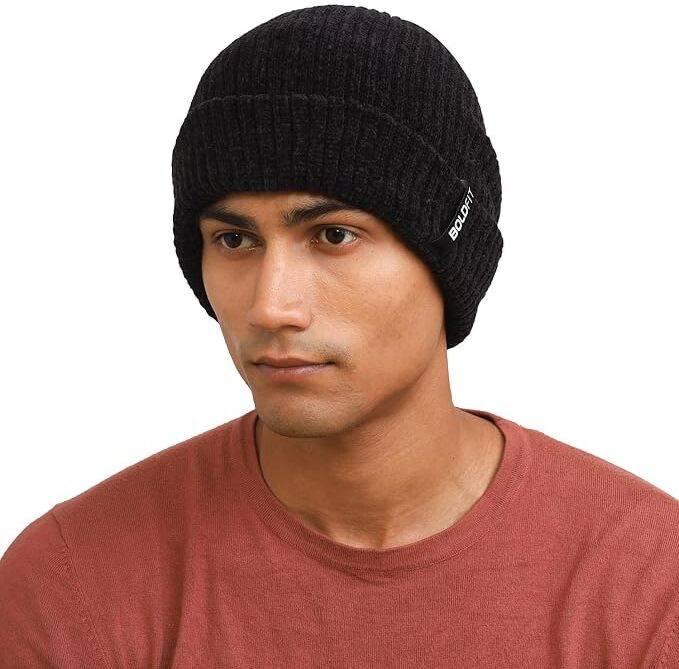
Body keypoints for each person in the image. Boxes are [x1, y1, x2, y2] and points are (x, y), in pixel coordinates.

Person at [1, 5, 677, 667]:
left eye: (333, 235)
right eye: (233, 239)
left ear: (448, 256)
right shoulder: (73, 587)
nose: (270, 306)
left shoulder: (649, 587)